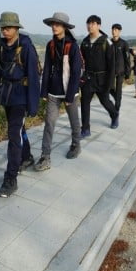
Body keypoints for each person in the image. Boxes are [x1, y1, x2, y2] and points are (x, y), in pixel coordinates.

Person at [0, 12, 40, 197]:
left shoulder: (26, 47)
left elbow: (34, 77)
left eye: (8, 27)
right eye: (3, 27)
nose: (5, 30)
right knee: (19, 130)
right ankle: (26, 157)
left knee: (13, 135)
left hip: (21, 97)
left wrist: (33, 104)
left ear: (17, 29)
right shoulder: (1, 48)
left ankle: (11, 178)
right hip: (7, 96)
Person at [34, 12, 83, 171]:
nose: (54, 27)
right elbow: (47, 67)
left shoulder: (73, 46)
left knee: (74, 120)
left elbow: (76, 72)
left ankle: (76, 144)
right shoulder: (51, 45)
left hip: (70, 91)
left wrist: (70, 95)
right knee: (49, 123)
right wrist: (43, 92)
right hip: (54, 92)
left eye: (58, 24)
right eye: (53, 24)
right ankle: (45, 156)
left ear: (64, 27)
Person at [80, 15, 119, 134]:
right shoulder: (85, 42)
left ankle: (114, 115)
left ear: (99, 25)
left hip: (102, 79)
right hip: (88, 78)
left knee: (105, 101)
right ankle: (85, 128)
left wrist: (110, 83)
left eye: (93, 23)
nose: (90, 26)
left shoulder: (106, 42)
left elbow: (112, 66)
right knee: (84, 102)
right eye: (88, 23)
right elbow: (81, 61)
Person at [109, 23, 130, 112]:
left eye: (116, 30)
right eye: (113, 30)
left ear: (119, 31)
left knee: (119, 89)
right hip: (110, 70)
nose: (114, 32)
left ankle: (117, 108)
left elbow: (127, 58)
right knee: (109, 88)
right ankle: (117, 98)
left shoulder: (124, 43)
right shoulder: (109, 42)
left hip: (120, 70)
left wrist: (128, 72)